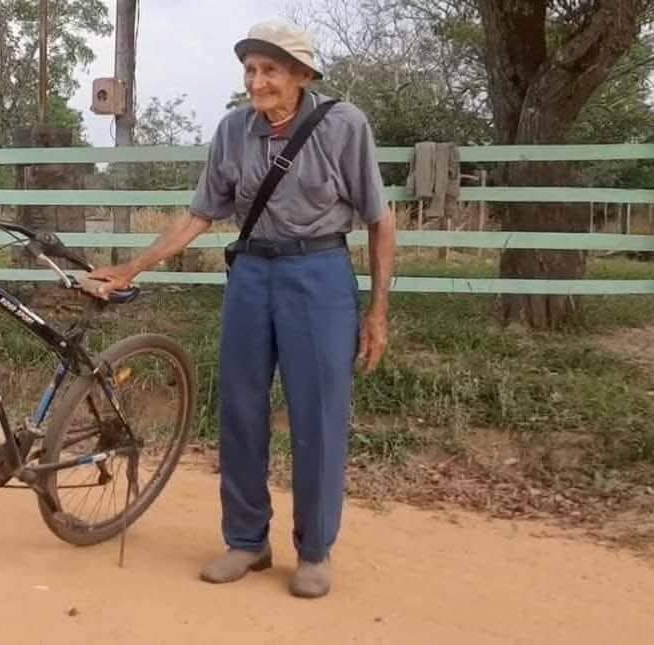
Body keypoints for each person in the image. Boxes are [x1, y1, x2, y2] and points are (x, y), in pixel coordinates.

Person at [89, 18, 396, 598]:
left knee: (319, 414)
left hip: (320, 274)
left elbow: (381, 220)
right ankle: (247, 540)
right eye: (250, 71)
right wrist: (133, 266)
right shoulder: (232, 131)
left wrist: (378, 311)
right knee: (240, 408)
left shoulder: (344, 126)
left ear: (303, 76)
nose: (257, 83)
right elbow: (201, 214)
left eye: (270, 71)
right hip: (252, 273)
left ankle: (315, 551)